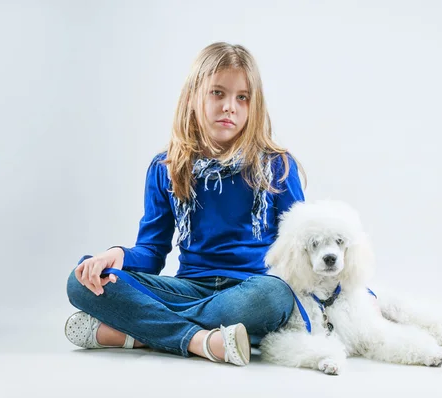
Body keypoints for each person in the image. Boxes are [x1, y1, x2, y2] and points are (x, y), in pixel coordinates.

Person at [65, 42, 306, 366]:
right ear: (194, 97)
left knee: (275, 297)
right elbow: (151, 253)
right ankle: (202, 340)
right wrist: (117, 256)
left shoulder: (277, 166)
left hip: (249, 291)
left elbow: (304, 248)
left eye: (242, 97)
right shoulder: (166, 167)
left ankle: (139, 332)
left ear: (254, 105)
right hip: (188, 288)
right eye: (217, 93)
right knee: (80, 282)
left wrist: (357, 296)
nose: (229, 107)